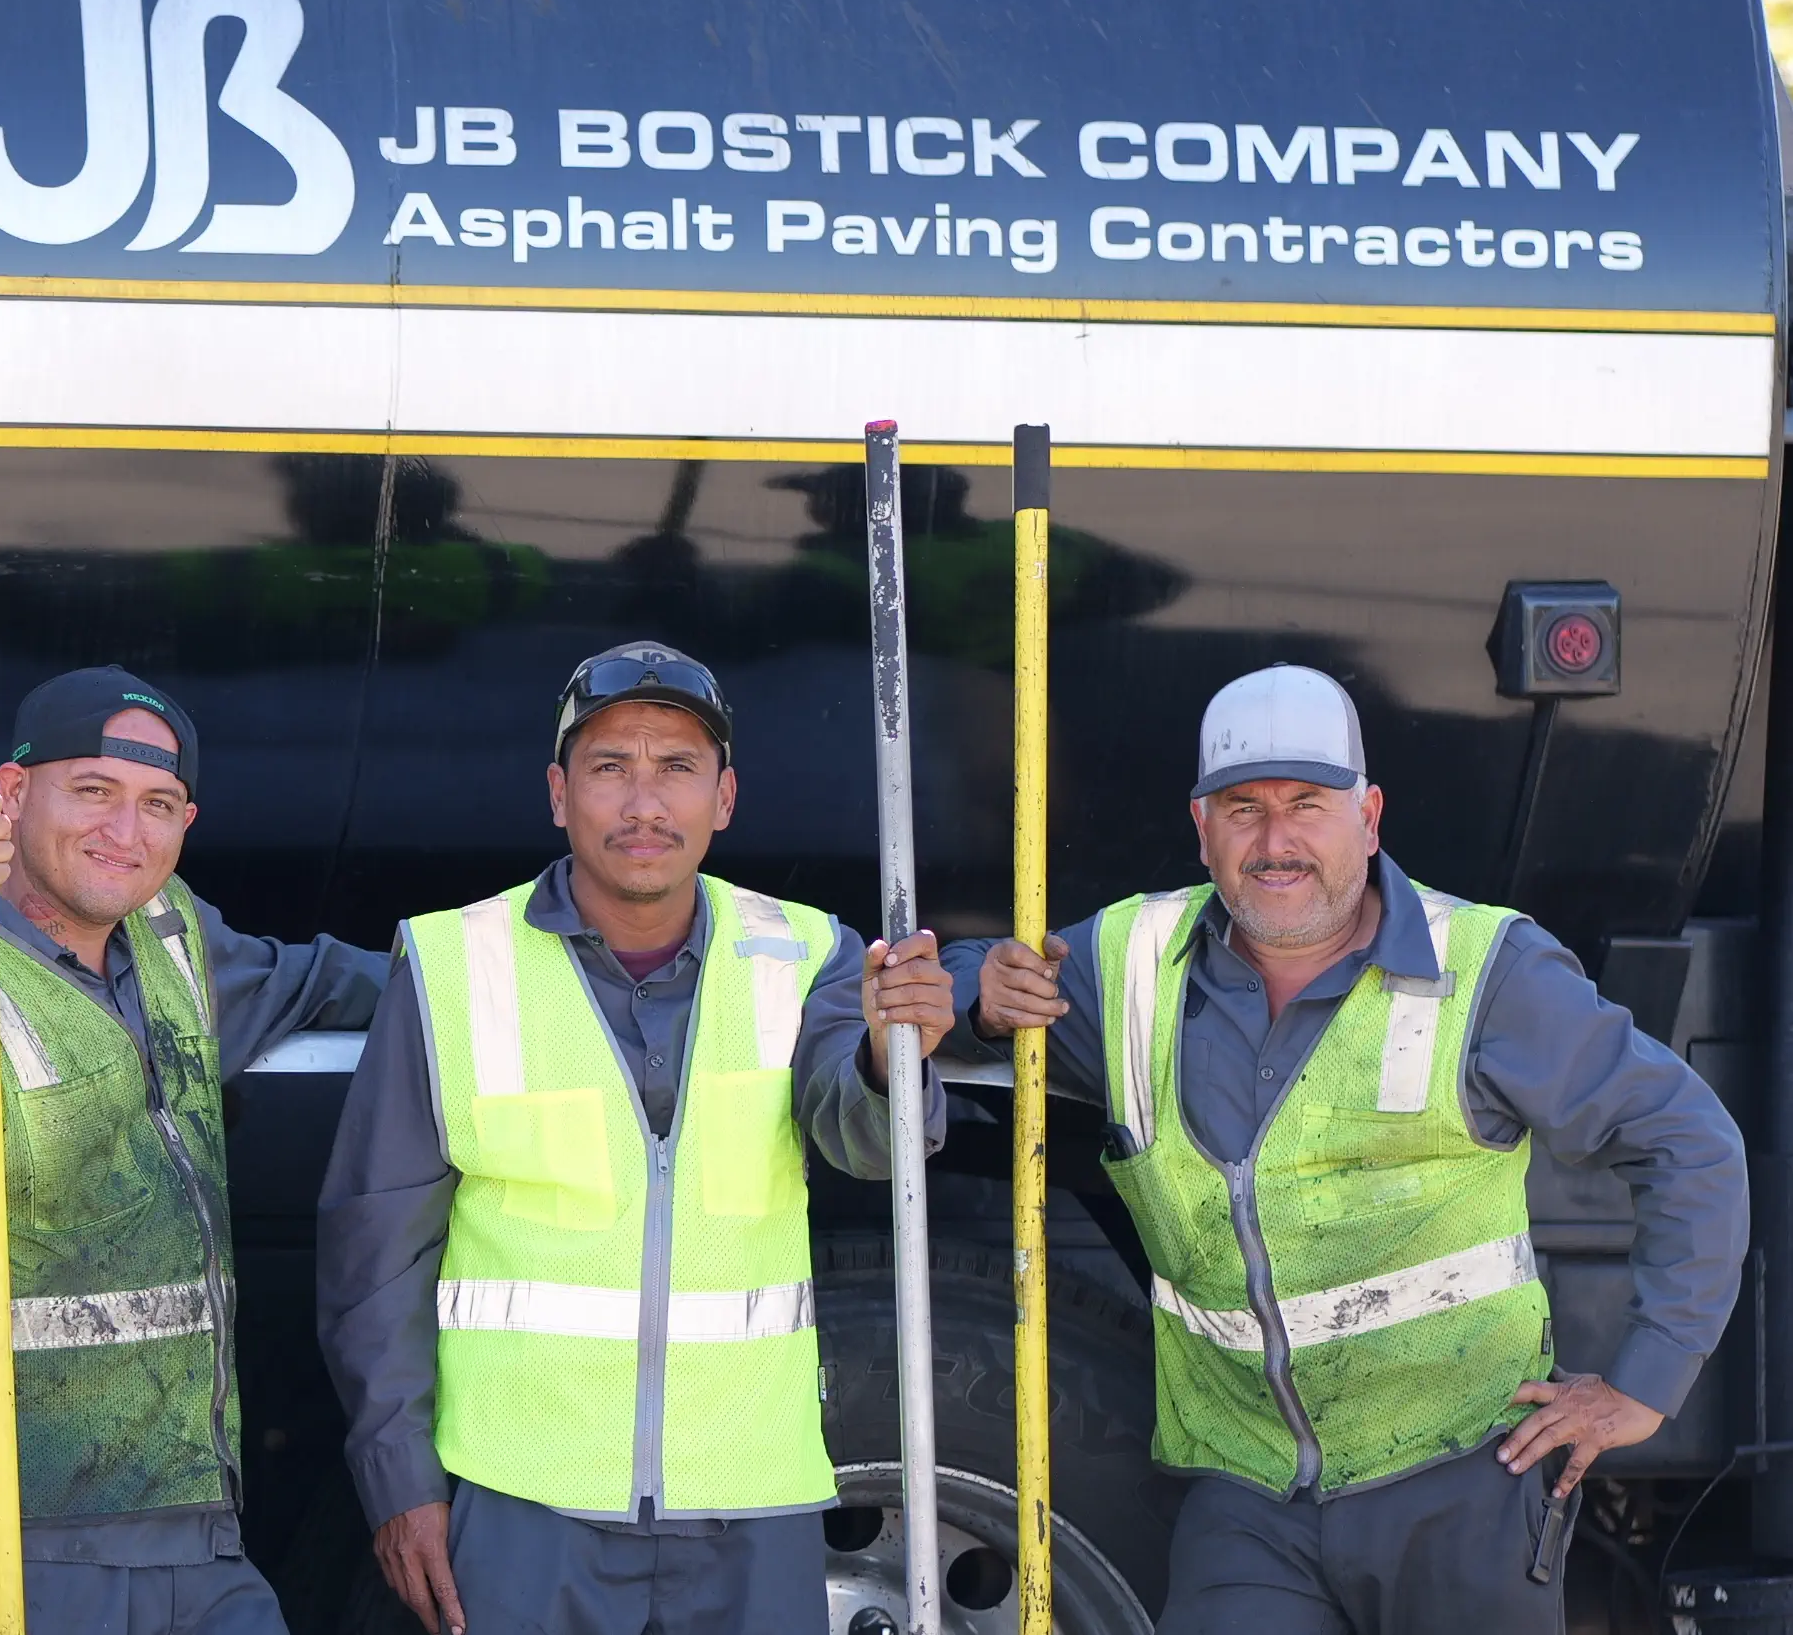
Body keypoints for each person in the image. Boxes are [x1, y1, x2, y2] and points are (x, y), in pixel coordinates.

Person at [942, 664, 1748, 1634]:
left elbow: (1687, 1140)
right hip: (1243, 1499)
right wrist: (973, 994)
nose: (1274, 842)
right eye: (1241, 808)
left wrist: (1642, 1386)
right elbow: (983, 987)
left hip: (1459, 1486)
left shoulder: (1488, 970)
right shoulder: (1131, 964)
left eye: (1306, 806)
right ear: (1200, 827)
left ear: (1367, 817)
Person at [316, 641, 956, 1635]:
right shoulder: (452, 963)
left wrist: (888, 1059)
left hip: (751, 1500)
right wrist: (397, 1478)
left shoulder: (808, 953)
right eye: (610, 768)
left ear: (725, 796)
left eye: (677, 769)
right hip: (524, 1505)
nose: (644, 804)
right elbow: (373, 1256)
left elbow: (869, 1142)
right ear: (558, 794)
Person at [0, 664, 388, 1635]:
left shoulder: (170, 940)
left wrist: (510, 969)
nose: (127, 832)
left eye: (159, 804)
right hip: (12, 1542)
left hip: (196, 1530)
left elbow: (321, 981)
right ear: (14, 796)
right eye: (95, 792)